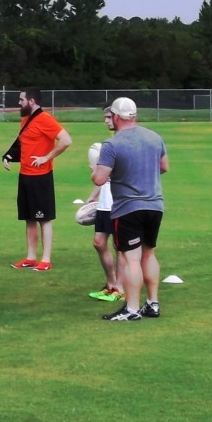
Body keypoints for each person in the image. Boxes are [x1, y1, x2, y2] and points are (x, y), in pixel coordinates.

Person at [91, 97, 168, 321]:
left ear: (115, 116)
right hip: (155, 205)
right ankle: (152, 303)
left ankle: (132, 309)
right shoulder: (154, 137)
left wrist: (96, 169)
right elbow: (164, 167)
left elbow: (99, 179)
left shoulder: (112, 144)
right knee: (149, 253)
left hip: (128, 207)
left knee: (131, 258)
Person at [3, 87, 72, 272]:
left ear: (31, 101)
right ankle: (31, 257)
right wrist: (8, 156)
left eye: (21, 100)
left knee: (44, 219)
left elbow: (66, 140)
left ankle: (46, 260)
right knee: (29, 218)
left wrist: (46, 157)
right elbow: (21, 142)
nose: (19, 103)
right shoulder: (26, 120)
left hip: (41, 178)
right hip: (24, 176)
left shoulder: (45, 119)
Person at [86, 105, 123, 301]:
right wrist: (94, 194)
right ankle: (111, 284)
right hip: (105, 201)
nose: (106, 121)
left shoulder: (122, 143)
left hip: (119, 202)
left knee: (121, 247)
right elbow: (105, 175)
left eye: (109, 117)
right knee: (99, 242)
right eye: (105, 118)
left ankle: (120, 288)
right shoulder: (109, 143)